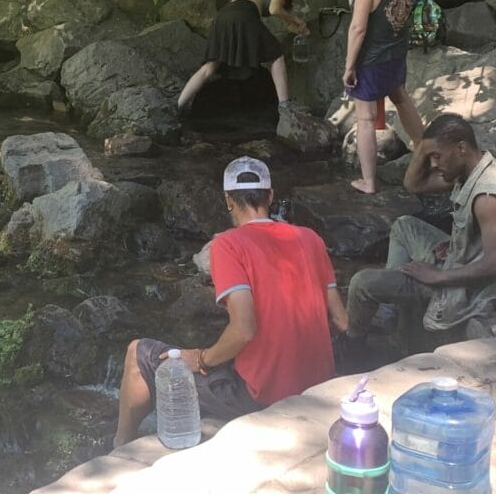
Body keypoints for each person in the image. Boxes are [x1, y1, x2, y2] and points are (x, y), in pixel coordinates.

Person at [113, 157, 348, 447]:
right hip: (317, 389)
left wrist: (200, 358)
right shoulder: (310, 238)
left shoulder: (228, 244)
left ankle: (119, 449)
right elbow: (341, 320)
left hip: (260, 398)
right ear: (270, 196)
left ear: (228, 200)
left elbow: (244, 330)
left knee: (138, 353)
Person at [345, 114, 496, 349]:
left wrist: (437, 276)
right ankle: (388, 313)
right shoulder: (474, 167)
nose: (432, 164)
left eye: (436, 156)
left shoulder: (487, 197)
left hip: (474, 289)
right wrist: (423, 146)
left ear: (461, 148)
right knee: (404, 226)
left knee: (361, 283)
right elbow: (414, 185)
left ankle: (351, 345)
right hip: (459, 258)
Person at [342, 0, 424, 194]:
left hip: (372, 59)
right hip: (396, 54)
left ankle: (368, 181)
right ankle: (423, 153)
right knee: (400, 96)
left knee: (364, 118)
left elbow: (358, 28)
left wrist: (349, 66)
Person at [177, 0, 320, 114]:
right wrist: (296, 19)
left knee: (210, 67)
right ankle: (284, 106)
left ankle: (179, 106)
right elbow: (274, 9)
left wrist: (302, 30)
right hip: (243, 12)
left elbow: (286, 23)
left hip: (224, 15)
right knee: (276, 55)